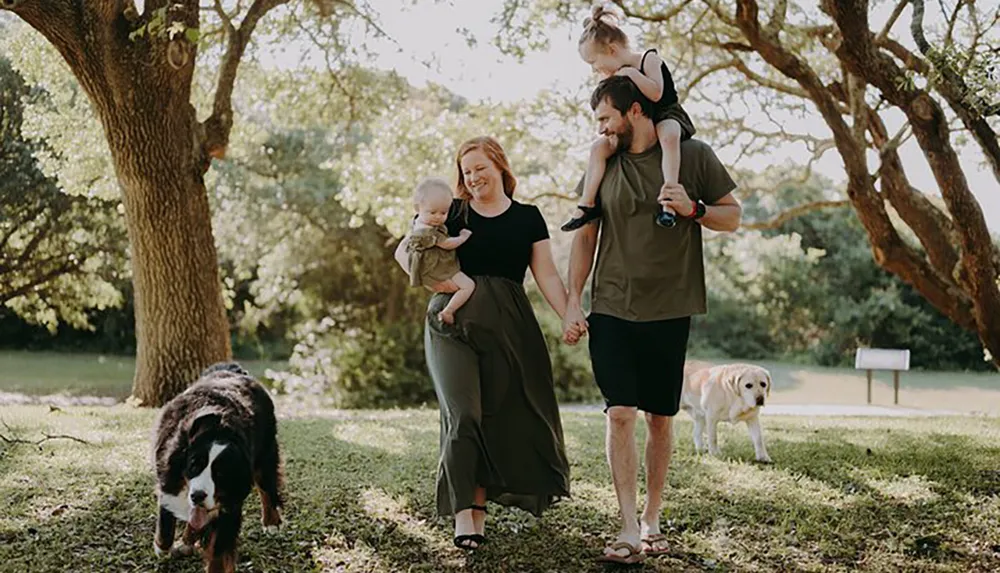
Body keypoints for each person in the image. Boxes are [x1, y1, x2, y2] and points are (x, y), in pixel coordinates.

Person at [562, 75, 742, 564]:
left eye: (605, 117)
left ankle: (651, 518)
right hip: (612, 305)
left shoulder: (691, 155)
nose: (600, 128)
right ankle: (625, 525)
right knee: (619, 412)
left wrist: (694, 208)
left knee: (660, 418)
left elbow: (733, 215)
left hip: (670, 306)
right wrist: (574, 300)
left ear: (635, 111)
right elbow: (585, 235)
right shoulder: (603, 163)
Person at [393, 136, 576, 550]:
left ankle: (480, 506)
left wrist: (568, 312)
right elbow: (406, 251)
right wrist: (434, 284)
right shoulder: (451, 213)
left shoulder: (528, 217)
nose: (472, 177)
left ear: (500, 167)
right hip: (451, 323)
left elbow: (546, 274)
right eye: (466, 171)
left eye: (479, 167)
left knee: (497, 414)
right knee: (464, 414)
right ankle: (465, 514)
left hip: (509, 327)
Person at [561, 2, 698, 232]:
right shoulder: (615, 73)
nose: (595, 69)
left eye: (594, 62)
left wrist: (631, 74)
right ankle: (587, 204)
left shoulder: (648, 59)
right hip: (636, 124)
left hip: (665, 113)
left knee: (668, 135)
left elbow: (656, 93)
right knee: (598, 148)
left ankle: (669, 197)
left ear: (612, 50)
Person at [403, 176, 475, 325]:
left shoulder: (418, 223)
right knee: (468, 286)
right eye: (433, 212)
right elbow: (447, 244)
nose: (438, 217)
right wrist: (462, 237)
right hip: (438, 267)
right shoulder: (426, 232)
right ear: (417, 208)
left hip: (431, 267)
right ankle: (448, 311)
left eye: (443, 213)